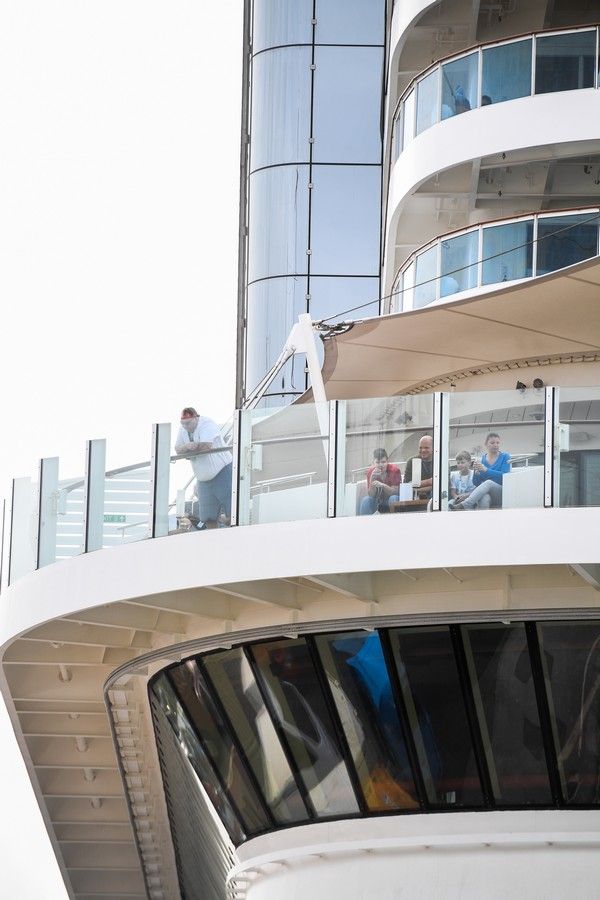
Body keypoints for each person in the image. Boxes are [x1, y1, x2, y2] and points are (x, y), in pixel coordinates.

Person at [175, 407, 233, 528]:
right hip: (203, 478)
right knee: (208, 517)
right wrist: (187, 446)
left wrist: (189, 449)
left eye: (189, 423)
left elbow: (206, 446)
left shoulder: (207, 424)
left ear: (196, 418)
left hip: (222, 471)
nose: (186, 426)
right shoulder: (183, 429)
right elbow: (178, 449)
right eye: (183, 423)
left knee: (231, 514)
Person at [454, 432, 511, 510]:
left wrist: (486, 470)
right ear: (486, 444)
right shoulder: (481, 460)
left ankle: (464, 504)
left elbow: (505, 477)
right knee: (484, 499)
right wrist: (476, 474)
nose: (495, 445)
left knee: (488, 482)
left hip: (501, 492)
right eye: (492, 443)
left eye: (498, 443)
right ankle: (482, 520)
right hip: (487, 493)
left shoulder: (505, 456)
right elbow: (477, 483)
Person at [359, 448, 402, 515]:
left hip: (391, 499)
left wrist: (382, 485)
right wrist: (372, 480)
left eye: (383, 462)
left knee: (393, 498)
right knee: (366, 500)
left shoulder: (395, 470)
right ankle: (364, 523)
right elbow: (371, 495)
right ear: (373, 463)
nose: (380, 465)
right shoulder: (370, 472)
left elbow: (395, 492)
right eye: (377, 462)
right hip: (378, 501)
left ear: (387, 461)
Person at [403, 435, 433, 500]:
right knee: (393, 498)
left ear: (434, 448)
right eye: (420, 448)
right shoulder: (411, 461)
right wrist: (429, 482)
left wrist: (418, 488)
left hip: (434, 497)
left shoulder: (440, 461)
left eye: (426, 448)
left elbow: (441, 485)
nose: (423, 450)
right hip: (414, 496)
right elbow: (406, 485)